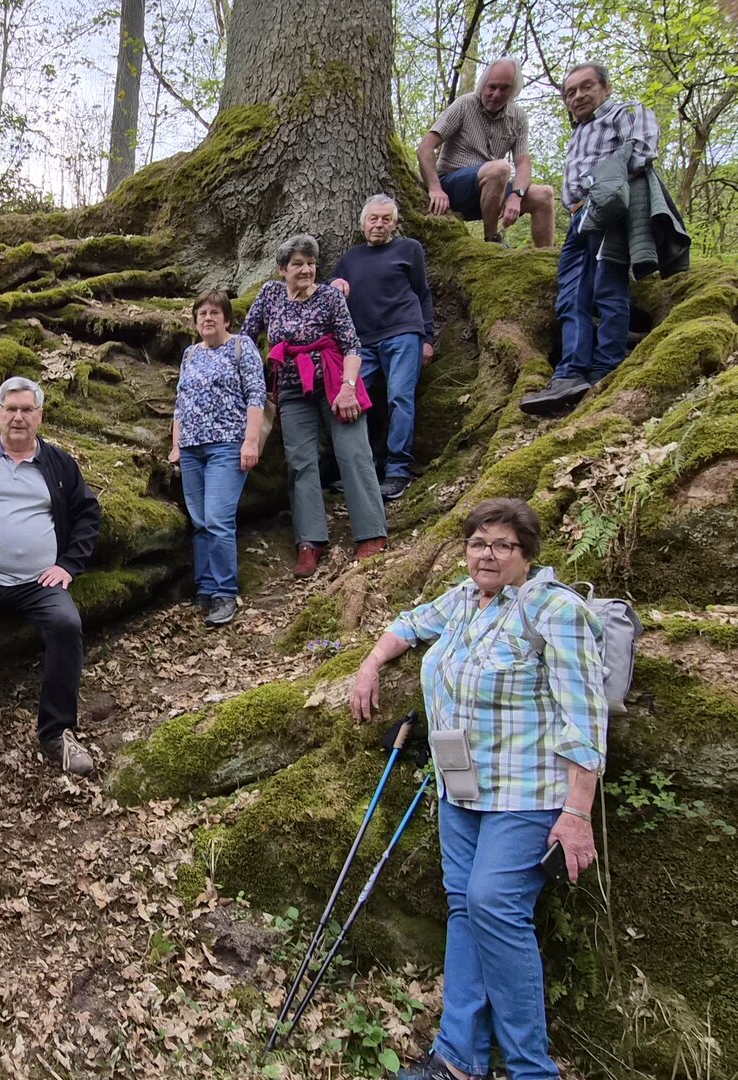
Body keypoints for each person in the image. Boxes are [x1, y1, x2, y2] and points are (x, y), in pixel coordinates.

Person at [350, 497, 607, 1080]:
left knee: (494, 905)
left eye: (502, 545)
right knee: (465, 907)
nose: (487, 555)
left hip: (526, 792)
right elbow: (409, 624)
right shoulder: (464, 599)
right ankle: (458, 1057)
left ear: (526, 553)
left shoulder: (554, 609)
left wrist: (577, 812)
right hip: (460, 785)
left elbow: (585, 719)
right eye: (477, 543)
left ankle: (531, 1068)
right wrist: (370, 665)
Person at [0, 376, 102, 775]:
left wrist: (68, 565)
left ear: (40, 416)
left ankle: (56, 733)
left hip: (39, 582)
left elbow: (87, 515)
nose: (18, 417)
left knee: (67, 625)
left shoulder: (58, 463)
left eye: (26, 410)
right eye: (11, 409)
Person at [240, 235, 387, 578]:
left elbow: (352, 347)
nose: (306, 270)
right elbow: (246, 339)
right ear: (282, 269)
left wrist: (348, 389)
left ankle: (372, 534)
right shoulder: (269, 294)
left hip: (334, 382)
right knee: (300, 462)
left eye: (311, 263)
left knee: (353, 453)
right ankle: (309, 541)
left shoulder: (330, 297)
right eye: (298, 264)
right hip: (291, 388)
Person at [519, 63, 660, 416]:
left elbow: (642, 150)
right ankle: (570, 373)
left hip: (606, 209)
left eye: (586, 87)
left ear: (605, 88)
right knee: (570, 295)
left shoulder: (625, 112)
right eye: (571, 92)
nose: (578, 96)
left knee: (607, 289)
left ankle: (605, 370)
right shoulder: (579, 131)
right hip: (577, 217)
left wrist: (599, 185)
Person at [168, 290, 268, 624]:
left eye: (215, 312)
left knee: (217, 519)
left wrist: (250, 442)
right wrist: (176, 444)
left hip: (227, 445)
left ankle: (225, 592)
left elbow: (256, 395)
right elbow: (181, 402)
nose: (208, 318)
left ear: (227, 319)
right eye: (202, 313)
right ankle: (206, 588)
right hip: (191, 448)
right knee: (199, 522)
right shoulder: (190, 354)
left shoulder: (241, 346)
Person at [330, 194, 436, 501]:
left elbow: (422, 293)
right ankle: (361, 470)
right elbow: (330, 285)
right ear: (363, 224)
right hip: (361, 342)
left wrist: (427, 339)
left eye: (386, 219)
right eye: (373, 219)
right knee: (350, 400)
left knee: (399, 398)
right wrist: (334, 283)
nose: (379, 224)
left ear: (395, 224)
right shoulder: (351, 258)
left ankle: (397, 471)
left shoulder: (409, 249)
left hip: (403, 333)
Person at [417, 58, 555, 247]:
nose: (496, 94)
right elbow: (425, 147)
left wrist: (516, 196)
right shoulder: (464, 104)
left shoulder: (518, 117)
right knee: (500, 168)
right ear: (483, 85)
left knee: (544, 195)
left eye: (504, 88)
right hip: (453, 188)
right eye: (492, 87)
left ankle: (545, 256)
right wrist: (435, 189)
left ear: (513, 91)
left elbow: (523, 163)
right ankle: (492, 240)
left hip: (491, 193)